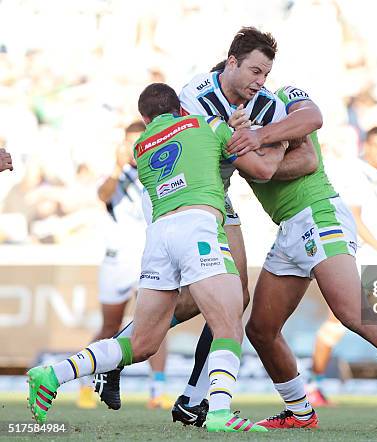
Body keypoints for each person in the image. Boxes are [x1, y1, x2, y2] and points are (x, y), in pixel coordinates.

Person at [26, 83, 289, 432]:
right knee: (229, 320)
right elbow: (255, 166)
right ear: (180, 108)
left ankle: (52, 373)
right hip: (199, 226)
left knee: (140, 343)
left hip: (159, 237)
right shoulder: (206, 124)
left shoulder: (141, 145)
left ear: (146, 118)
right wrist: (267, 138)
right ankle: (220, 413)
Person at [93, 27, 322, 425]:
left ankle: (180, 390)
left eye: (266, 75)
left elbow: (311, 129)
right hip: (179, 196)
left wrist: (259, 135)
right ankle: (140, 363)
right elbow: (234, 158)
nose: (260, 82)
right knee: (217, 297)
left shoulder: (263, 104)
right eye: (254, 71)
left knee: (235, 295)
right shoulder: (193, 95)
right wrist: (252, 142)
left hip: (216, 195)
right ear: (231, 62)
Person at [242, 86, 377, 432]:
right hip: (290, 226)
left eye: (262, 70)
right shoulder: (228, 124)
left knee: (351, 311)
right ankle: (300, 411)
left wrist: (256, 144)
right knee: (260, 330)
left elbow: (310, 146)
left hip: (318, 214)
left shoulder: (281, 98)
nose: (259, 78)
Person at [307, 126, 377, 407]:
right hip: (363, 257)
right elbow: (357, 220)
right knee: (337, 322)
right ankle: (314, 383)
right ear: (365, 145)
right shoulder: (356, 173)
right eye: (375, 145)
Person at [78, 122, 171, 410]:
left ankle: (158, 389)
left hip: (150, 257)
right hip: (117, 260)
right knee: (110, 324)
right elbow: (104, 195)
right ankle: (84, 382)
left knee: (156, 324)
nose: (133, 149)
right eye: (129, 143)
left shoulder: (157, 172)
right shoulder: (113, 176)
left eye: (138, 142)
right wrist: (119, 169)